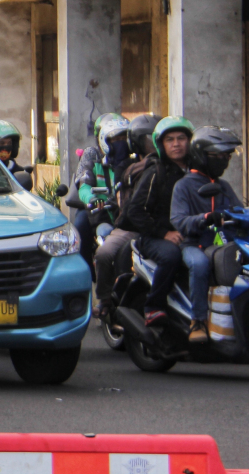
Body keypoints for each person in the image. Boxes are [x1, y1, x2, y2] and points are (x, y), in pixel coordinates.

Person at [117, 116, 194, 326]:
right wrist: (164, 233)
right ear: (161, 144)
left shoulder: (196, 172)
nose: (176, 144)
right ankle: (154, 306)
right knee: (170, 256)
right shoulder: (155, 172)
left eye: (181, 138)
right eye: (170, 140)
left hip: (189, 233)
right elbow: (135, 211)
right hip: (153, 237)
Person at [171, 126, 243, 343]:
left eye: (226, 156)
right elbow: (179, 221)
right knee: (200, 264)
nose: (223, 160)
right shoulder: (183, 186)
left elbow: (239, 211)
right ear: (202, 156)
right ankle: (198, 321)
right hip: (193, 245)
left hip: (223, 245)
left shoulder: (224, 186)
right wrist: (206, 218)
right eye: (218, 156)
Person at [93, 113, 162, 313]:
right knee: (104, 253)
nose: (152, 145)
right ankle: (105, 299)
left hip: (161, 228)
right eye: (147, 140)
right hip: (130, 228)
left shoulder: (171, 166)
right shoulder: (128, 167)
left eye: (156, 139)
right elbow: (128, 204)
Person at [71, 113, 130, 267]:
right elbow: (84, 186)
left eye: (124, 139)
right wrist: (92, 198)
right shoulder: (93, 159)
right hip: (99, 211)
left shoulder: (135, 163)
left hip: (128, 213)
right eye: (116, 140)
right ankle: (84, 269)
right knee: (81, 225)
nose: (121, 144)